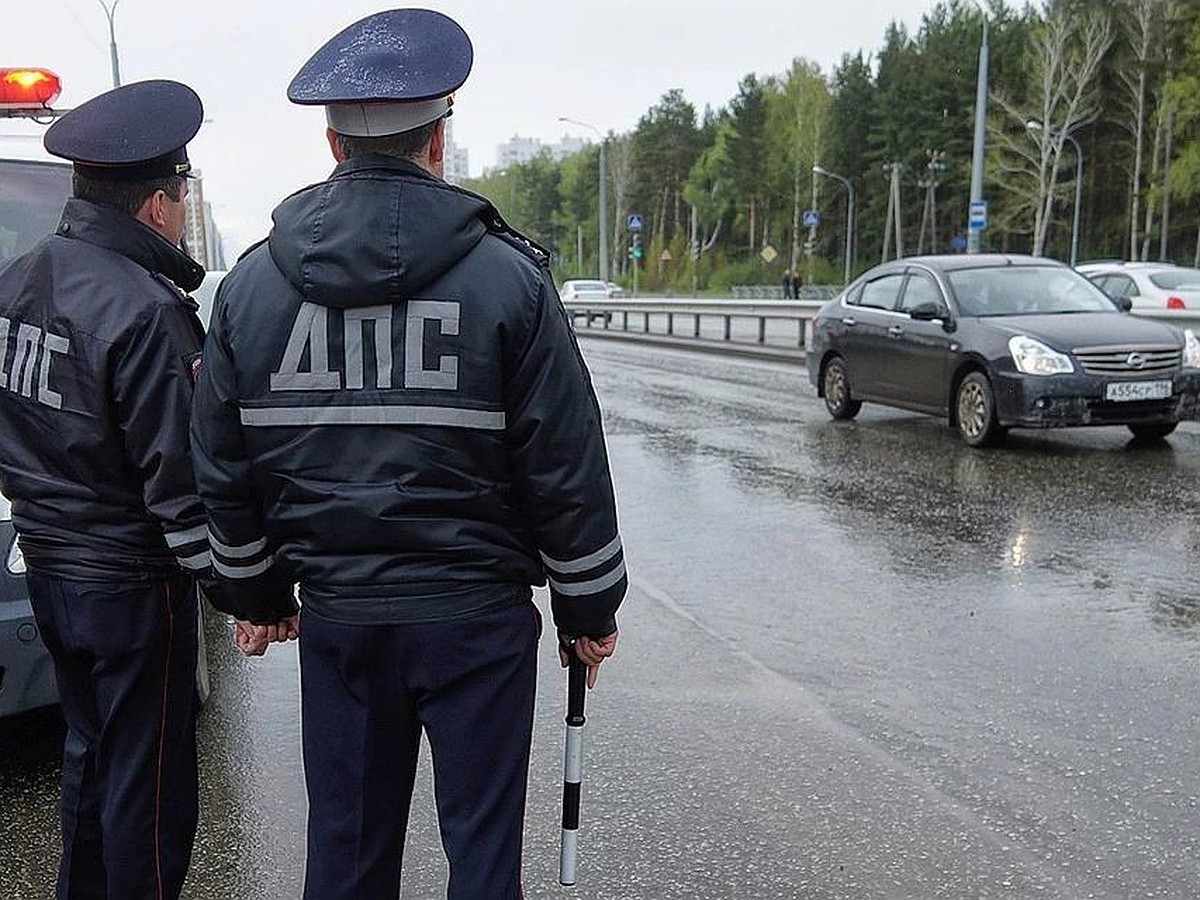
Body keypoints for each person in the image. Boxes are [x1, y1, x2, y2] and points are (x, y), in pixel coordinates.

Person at [189, 9, 627, 899]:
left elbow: (223, 463)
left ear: (331, 142)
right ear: (440, 138)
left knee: (345, 855)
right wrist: (588, 605)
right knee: (480, 852)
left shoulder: (253, 289)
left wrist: (258, 593)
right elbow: (564, 460)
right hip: (478, 623)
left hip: (343, 621)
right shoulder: (511, 278)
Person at [0, 80, 297, 899]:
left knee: (89, 760)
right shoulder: (147, 312)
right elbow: (183, 490)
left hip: (51, 571)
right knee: (151, 792)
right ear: (160, 203)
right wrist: (249, 594)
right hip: (132, 588)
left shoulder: (18, 281)